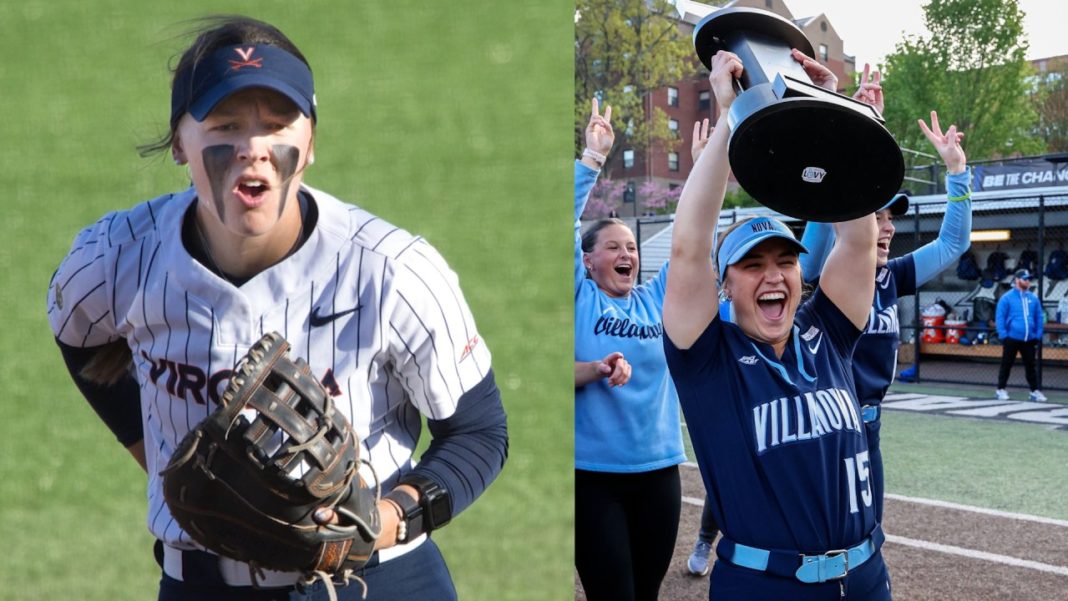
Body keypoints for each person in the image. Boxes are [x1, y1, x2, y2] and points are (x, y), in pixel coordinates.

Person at [45, 16, 507, 601]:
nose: (252, 149)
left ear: (310, 142)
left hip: (376, 584)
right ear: (180, 144)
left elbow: (479, 431)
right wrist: (160, 459)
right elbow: (75, 332)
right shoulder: (116, 259)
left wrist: (377, 523)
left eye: (277, 124)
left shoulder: (392, 269)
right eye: (225, 124)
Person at [663, 47, 888, 600]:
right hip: (764, 585)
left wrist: (835, 114)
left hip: (865, 579)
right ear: (726, 284)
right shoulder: (706, 359)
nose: (774, 275)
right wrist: (729, 114)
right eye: (753, 264)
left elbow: (858, 237)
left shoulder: (827, 333)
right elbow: (691, 246)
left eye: (785, 261)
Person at [800, 94, 973, 523]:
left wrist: (957, 172)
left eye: (891, 218)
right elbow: (819, 228)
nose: (888, 227)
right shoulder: (822, 270)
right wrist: (850, 127)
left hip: (871, 425)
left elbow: (953, 243)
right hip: (823, 427)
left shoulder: (891, 276)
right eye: (877, 217)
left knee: (869, 528)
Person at [574, 99, 687, 601]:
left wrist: (707, 163)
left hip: (659, 471)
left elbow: (690, 238)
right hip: (591, 477)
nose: (628, 254)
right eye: (614, 247)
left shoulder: (656, 299)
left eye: (633, 247)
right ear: (588, 260)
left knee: (646, 593)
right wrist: (592, 160)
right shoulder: (579, 296)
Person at [996, 269, 1047, 401]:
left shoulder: (1033, 298)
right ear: (1017, 280)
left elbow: (1039, 317)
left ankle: (1034, 391)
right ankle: (1001, 389)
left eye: (1029, 279)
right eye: (1025, 279)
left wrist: (1038, 335)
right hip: (1011, 338)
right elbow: (1000, 317)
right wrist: (1004, 335)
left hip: (1029, 339)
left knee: (1031, 366)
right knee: (1006, 364)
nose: (1028, 281)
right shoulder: (1006, 298)